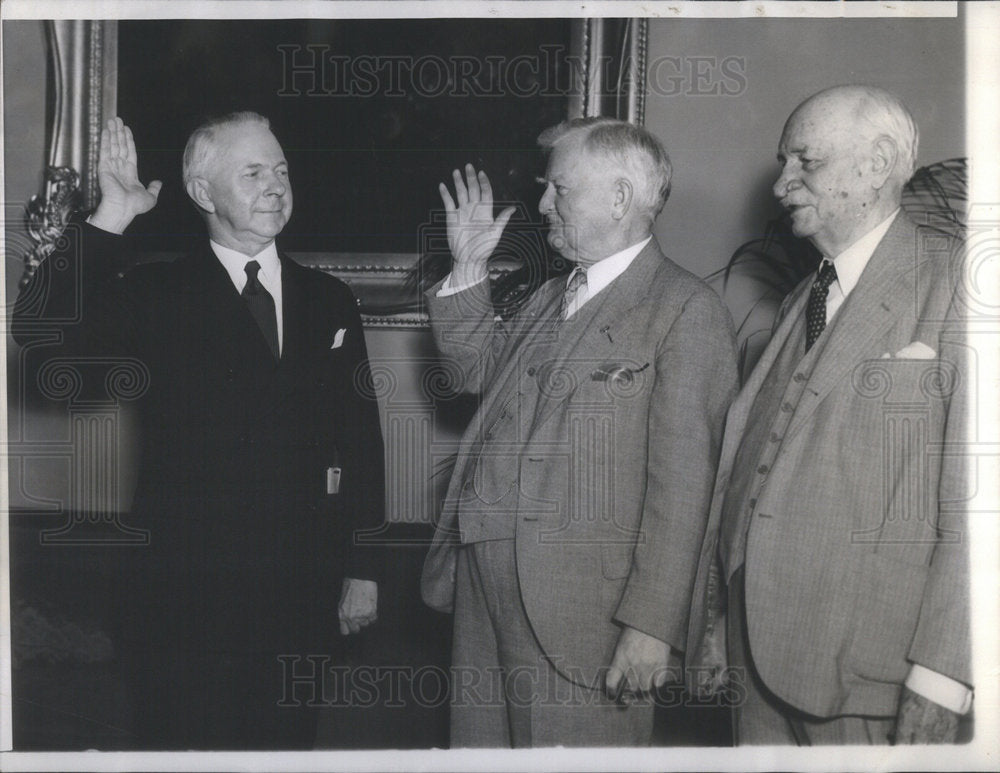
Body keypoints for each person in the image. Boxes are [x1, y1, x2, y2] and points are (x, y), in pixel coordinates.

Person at [12, 114, 385, 749]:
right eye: (253, 172)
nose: (275, 185)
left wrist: (364, 566)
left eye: (282, 170)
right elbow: (41, 337)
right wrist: (111, 220)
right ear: (204, 193)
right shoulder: (155, 290)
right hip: (181, 597)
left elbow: (360, 436)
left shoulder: (330, 300)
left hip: (298, 593)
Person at [420, 117, 738, 746]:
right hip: (484, 590)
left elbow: (685, 492)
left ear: (620, 197)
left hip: (583, 616)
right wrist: (467, 267)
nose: (541, 204)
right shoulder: (548, 296)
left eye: (558, 189)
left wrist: (651, 627)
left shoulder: (685, 311)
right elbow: (471, 371)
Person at [686, 85, 972, 744]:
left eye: (803, 162)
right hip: (756, 661)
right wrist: (714, 620)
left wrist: (941, 678)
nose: (783, 184)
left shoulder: (958, 288)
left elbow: (978, 510)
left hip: (872, 678)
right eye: (783, 163)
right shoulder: (800, 302)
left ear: (875, 165)